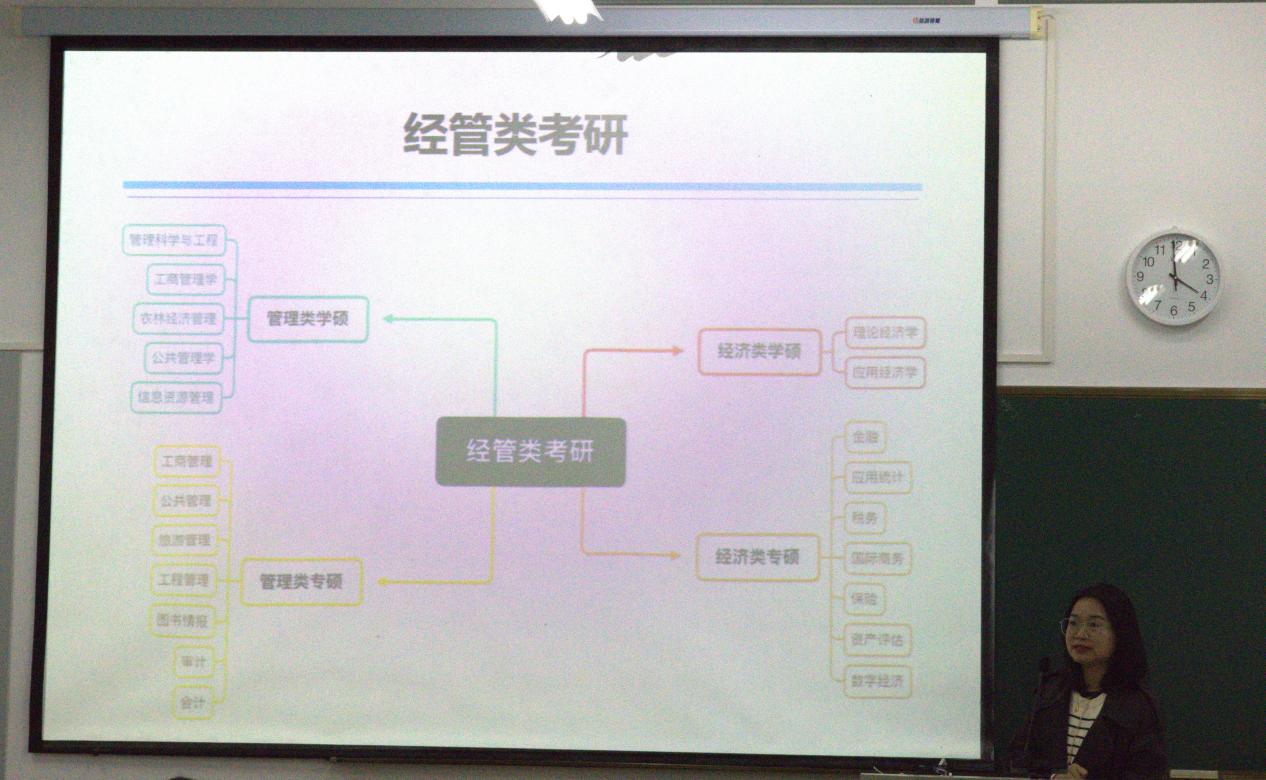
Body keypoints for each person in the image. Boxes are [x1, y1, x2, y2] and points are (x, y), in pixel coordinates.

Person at [1008, 583, 1167, 779]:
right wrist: (1054, 777)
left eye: (1094, 625)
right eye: (1073, 623)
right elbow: (1017, 761)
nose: (1080, 634)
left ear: (1120, 633)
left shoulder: (1138, 707)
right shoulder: (1050, 691)